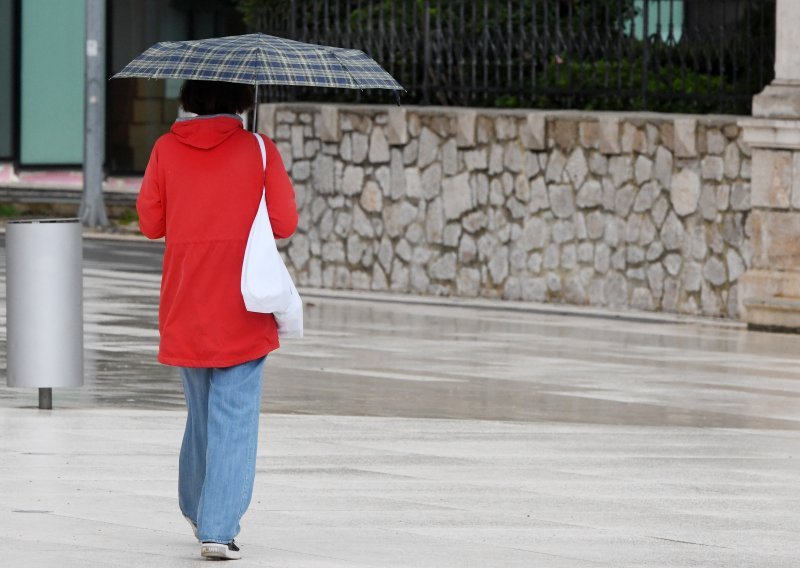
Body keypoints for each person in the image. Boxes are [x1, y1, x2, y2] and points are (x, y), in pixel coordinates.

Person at [136, 79, 298, 560]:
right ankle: (218, 526)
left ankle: (196, 507)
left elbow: (150, 224)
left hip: (186, 301)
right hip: (242, 303)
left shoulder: (166, 149)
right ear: (242, 100)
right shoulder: (259, 149)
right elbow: (285, 224)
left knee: (202, 413)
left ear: (189, 96)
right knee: (235, 416)